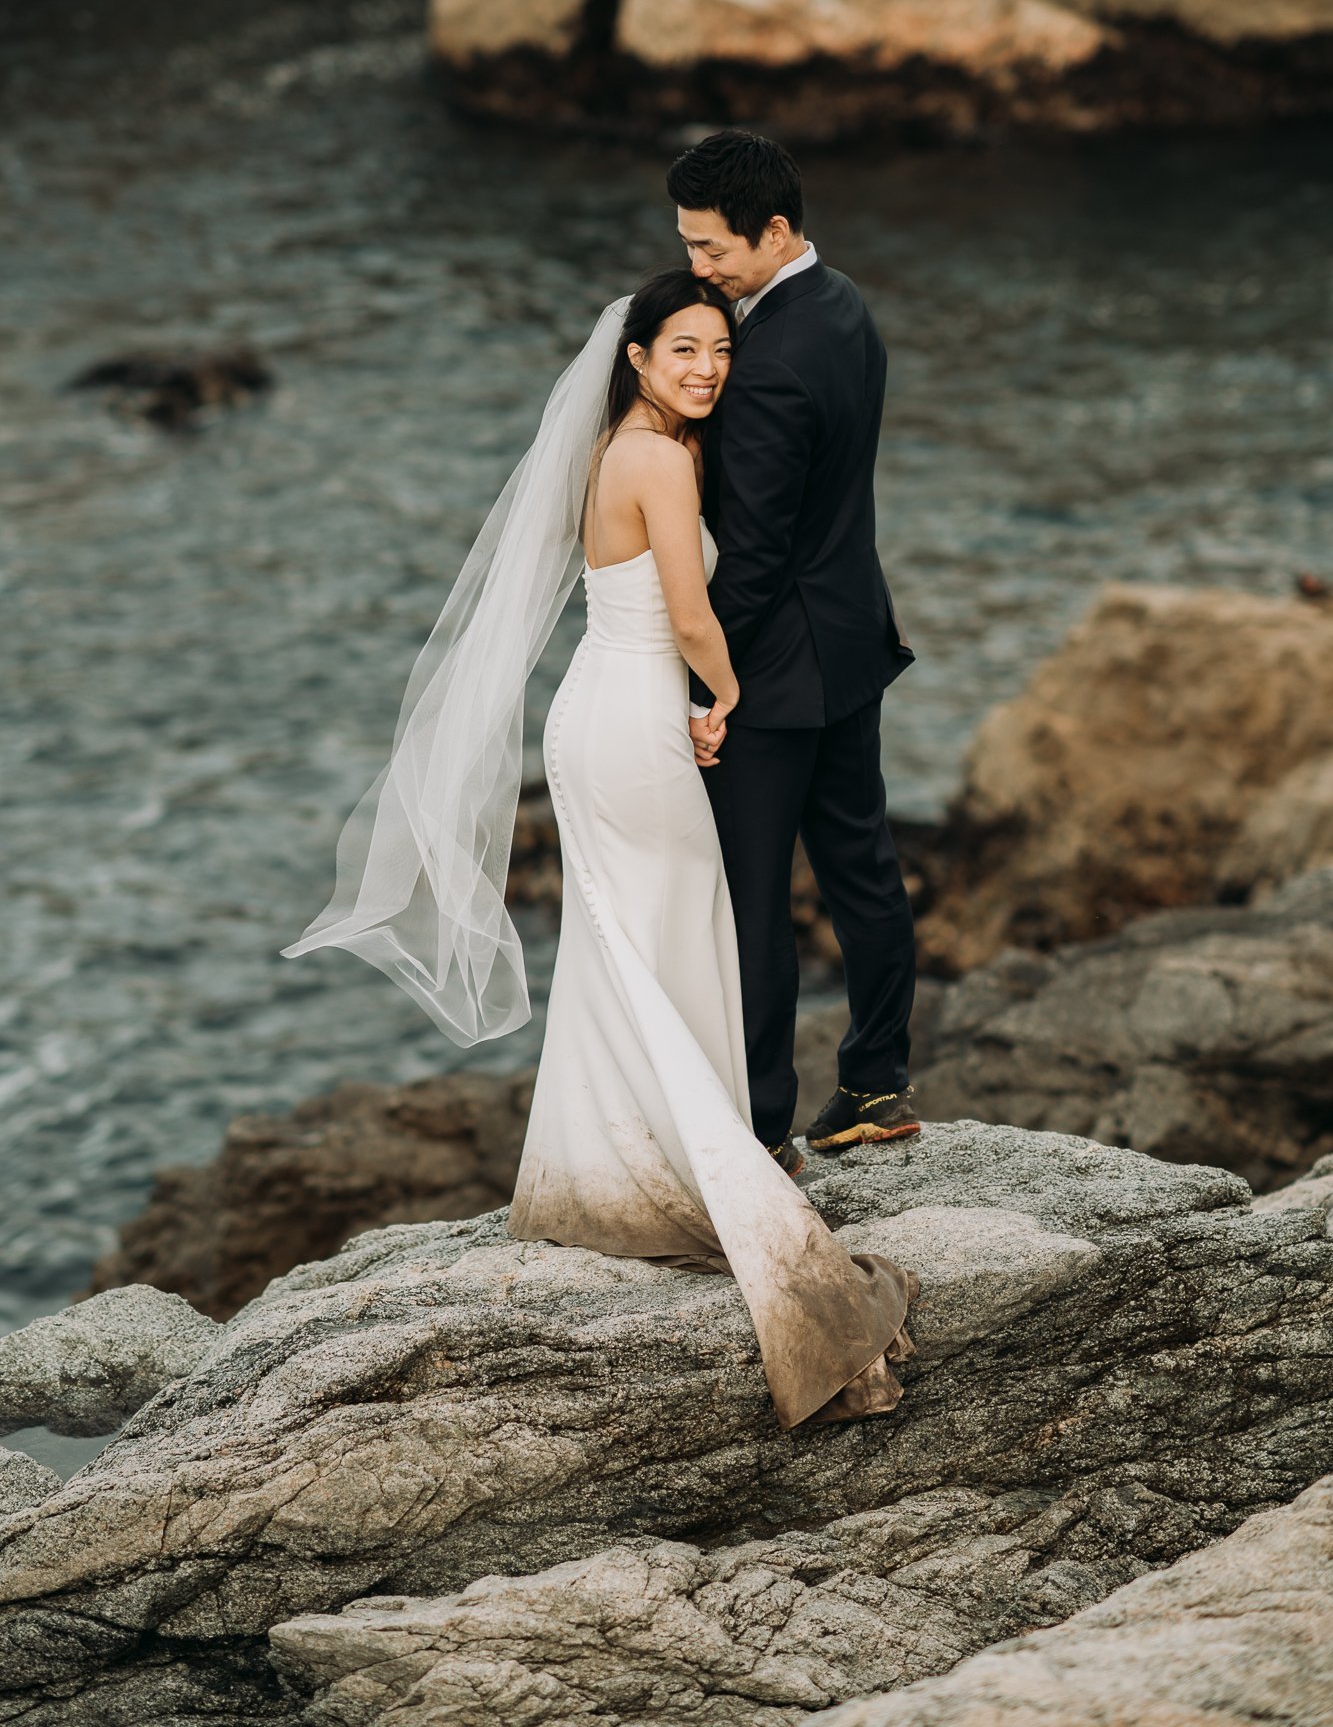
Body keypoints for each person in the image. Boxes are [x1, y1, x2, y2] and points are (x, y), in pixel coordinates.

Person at [283, 264, 916, 1431]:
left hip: (596, 716)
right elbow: (688, 613)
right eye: (684, 350)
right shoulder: (660, 458)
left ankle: (609, 1175)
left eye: (719, 351)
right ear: (634, 358)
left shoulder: (614, 446)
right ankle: (693, 1168)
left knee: (628, 944)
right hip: (636, 721)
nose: (708, 369)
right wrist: (723, 697)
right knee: (676, 933)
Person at [667, 130, 920, 1176]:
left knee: (752, 897)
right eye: (685, 245)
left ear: (773, 231)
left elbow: (757, 558)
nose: (696, 268)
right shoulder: (844, 302)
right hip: (852, 638)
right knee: (861, 863)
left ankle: (762, 1127)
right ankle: (873, 1082)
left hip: (773, 669)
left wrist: (697, 681)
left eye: (712, 248)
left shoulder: (764, 365)